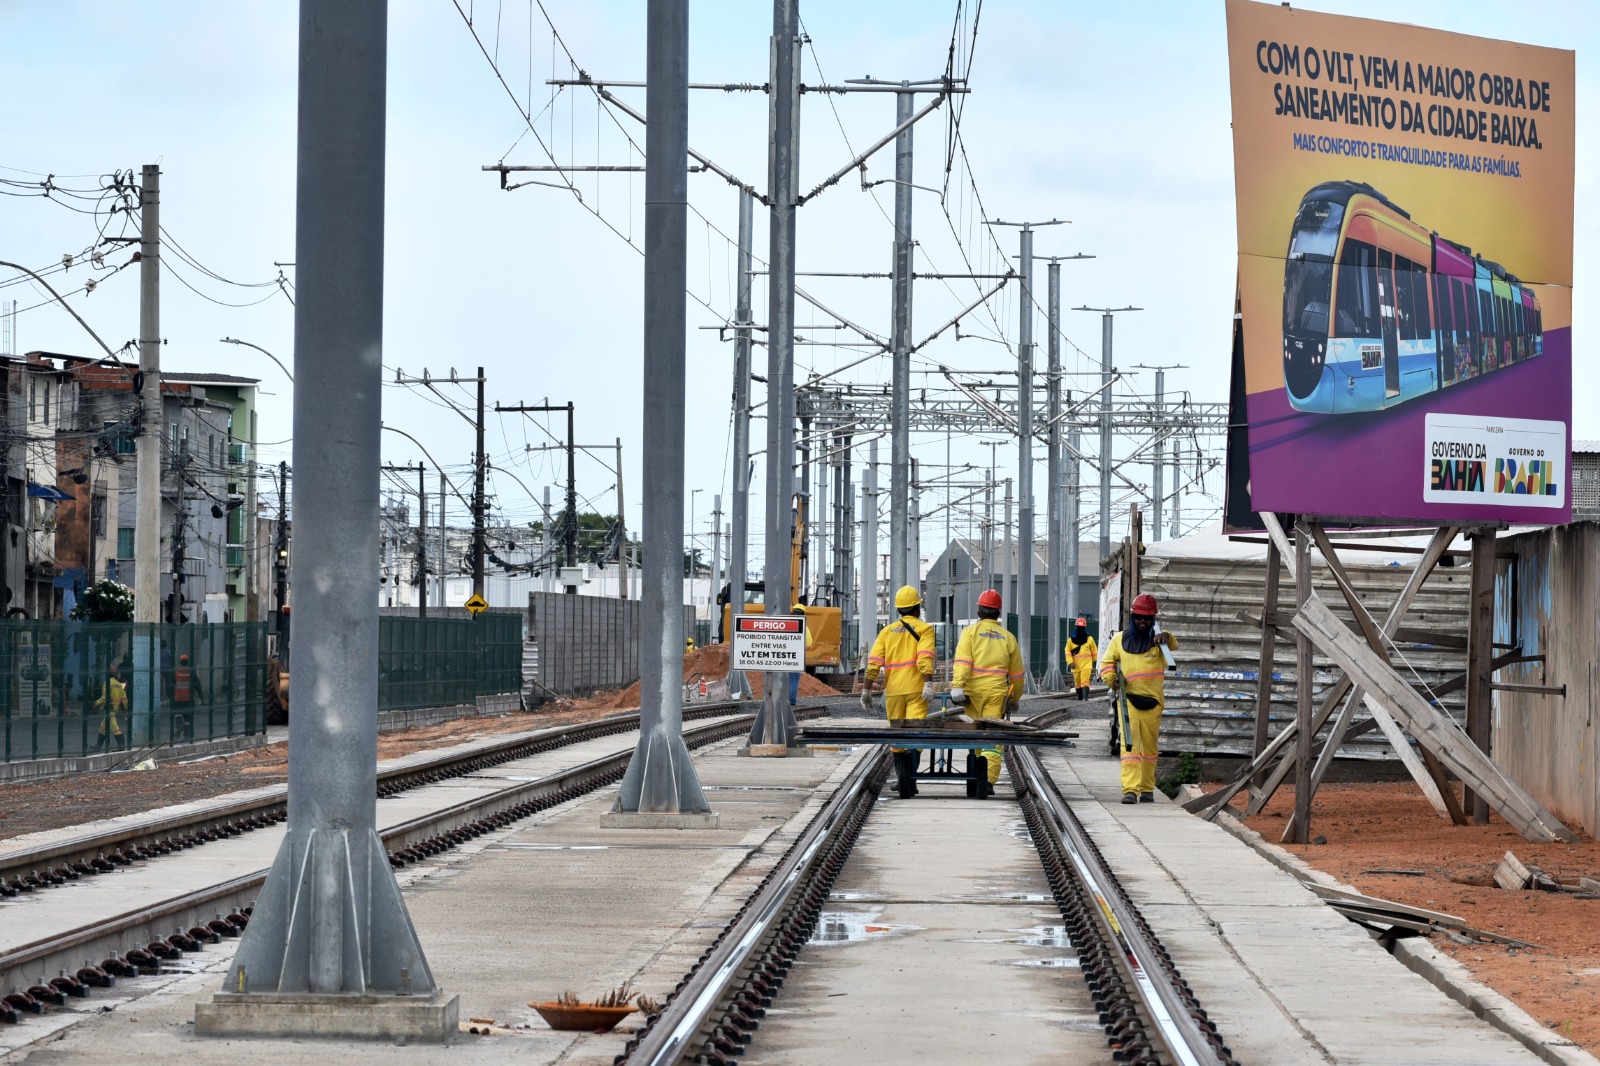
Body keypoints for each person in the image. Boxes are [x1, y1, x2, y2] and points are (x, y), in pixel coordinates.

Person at [1099, 593, 1178, 805]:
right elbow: (1107, 663)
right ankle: (1130, 790)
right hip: (1128, 702)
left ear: (1153, 620)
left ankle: (1146, 789)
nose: (1142, 622)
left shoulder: (1159, 643)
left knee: (1150, 750)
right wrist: (1111, 679)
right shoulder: (1119, 640)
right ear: (1132, 617)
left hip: (1153, 704)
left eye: (1147, 619)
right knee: (1130, 748)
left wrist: (1167, 636)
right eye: (1139, 618)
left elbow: (1174, 645)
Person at [858, 585, 936, 796]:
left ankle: (904, 781)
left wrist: (866, 690)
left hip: (893, 692)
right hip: (917, 690)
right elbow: (924, 657)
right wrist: (928, 682)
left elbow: (873, 662)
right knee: (915, 735)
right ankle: (908, 781)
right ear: (918, 608)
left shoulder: (886, 631)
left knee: (898, 736)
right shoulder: (925, 630)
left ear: (898, 609)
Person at [950, 588, 1023, 799]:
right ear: (998, 613)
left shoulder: (970, 633)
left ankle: (975, 774)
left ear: (979, 611)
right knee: (991, 737)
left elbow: (963, 662)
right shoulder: (1008, 638)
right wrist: (1014, 698)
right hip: (996, 694)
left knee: (974, 735)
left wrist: (958, 686)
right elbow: (1017, 674)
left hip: (972, 694)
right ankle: (988, 780)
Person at [787, 603, 817, 707]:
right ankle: (791, 701)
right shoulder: (805, 628)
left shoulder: (785, 625)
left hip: (783, 655)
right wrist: (799, 649)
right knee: (793, 680)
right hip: (798, 656)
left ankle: (780, 699)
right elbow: (809, 645)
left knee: (782, 678)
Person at [94, 666, 127, 750]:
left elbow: (104, 697)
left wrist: (96, 703)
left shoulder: (107, 682)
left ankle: (121, 746)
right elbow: (124, 699)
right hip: (115, 708)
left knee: (115, 728)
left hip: (109, 708)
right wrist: (126, 709)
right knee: (103, 727)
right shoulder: (119, 684)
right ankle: (98, 746)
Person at [1066, 616, 1097, 701]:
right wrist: (1070, 662)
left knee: (1085, 681)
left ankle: (1085, 698)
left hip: (1086, 665)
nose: (1080, 629)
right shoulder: (1070, 640)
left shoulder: (1089, 639)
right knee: (1077, 683)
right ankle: (1080, 698)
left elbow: (1094, 651)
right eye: (1079, 627)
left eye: (1081, 627)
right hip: (1075, 665)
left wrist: (1094, 661)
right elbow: (1067, 652)